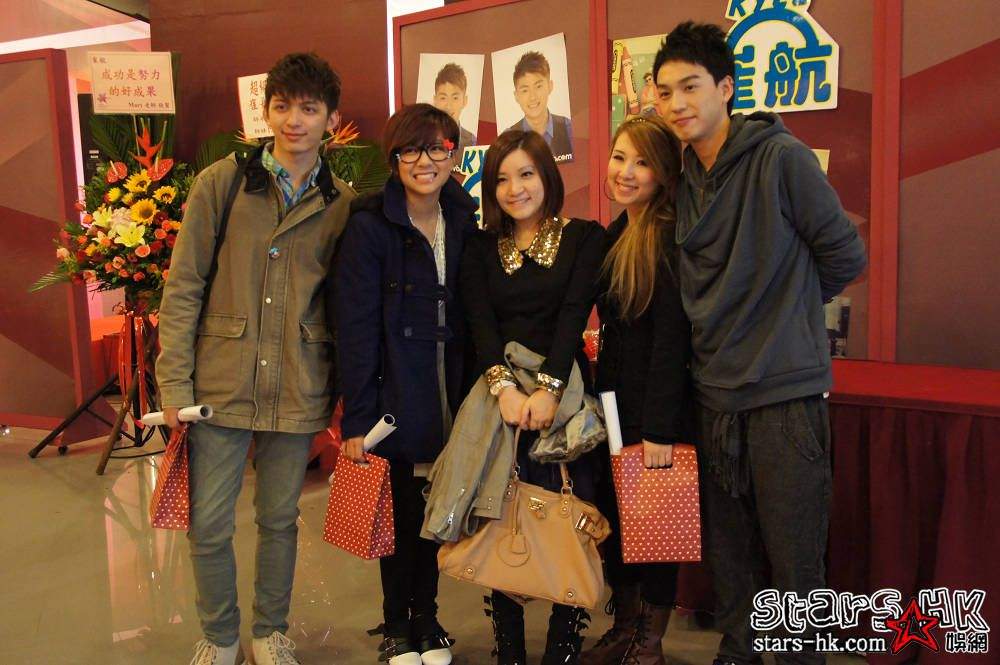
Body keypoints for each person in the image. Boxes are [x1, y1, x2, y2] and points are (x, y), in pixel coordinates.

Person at [653, 22, 867, 665]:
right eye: (664, 92)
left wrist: (786, 312)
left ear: (726, 88)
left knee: (796, 558)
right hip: (714, 393)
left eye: (691, 86)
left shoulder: (780, 159)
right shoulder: (684, 176)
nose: (677, 103)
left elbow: (844, 255)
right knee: (731, 554)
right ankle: (739, 651)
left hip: (783, 395)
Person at [156, 52, 354, 665]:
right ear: (266, 111)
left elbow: (345, 304)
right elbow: (183, 287)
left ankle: (270, 633)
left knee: (280, 519)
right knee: (209, 522)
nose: (294, 120)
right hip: (220, 382)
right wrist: (173, 385)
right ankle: (220, 638)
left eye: (309, 108)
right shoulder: (222, 183)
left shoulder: (342, 202)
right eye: (283, 106)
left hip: (297, 380)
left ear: (331, 119)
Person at [334, 102, 478, 665]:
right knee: (396, 511)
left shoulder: (463, 218)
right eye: (411, 149)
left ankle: (429, 619)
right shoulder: (370, 226)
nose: (425, 161)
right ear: (394, 158)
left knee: (434, 509)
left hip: (451, 387)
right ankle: (397, 624)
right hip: (394, 390)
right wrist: (357, 417)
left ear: (453, 155)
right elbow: (355, 327)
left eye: (437, 148)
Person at [460, 129, 606, 665]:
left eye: (525, 174)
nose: (514, 188)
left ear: (546, 176)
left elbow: (572, 317)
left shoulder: (584, 237)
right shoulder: (479, 246)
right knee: (501, 512)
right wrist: (503, 389)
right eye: (501, 179)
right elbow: (480, 324)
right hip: (499, 400)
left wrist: (548, 391)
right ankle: (509, 645)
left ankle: (564, 641)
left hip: (564, 398)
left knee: (569, 512)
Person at [581, 116, 692, 665]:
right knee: (619, 521)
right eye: (619, 157)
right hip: (612, 407)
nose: (625, 172)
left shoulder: (669, 238)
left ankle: (648, 644)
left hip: (654, 415)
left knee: (655, 528)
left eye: (642, 162)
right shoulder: (616, 233)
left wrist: (660, 430)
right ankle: (625, 629)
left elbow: (673, 341)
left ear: (664, 173)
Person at [505, 51, 574, 161]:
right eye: (525, 90)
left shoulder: (569, 128)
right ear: (516, 96)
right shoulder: (508, 138)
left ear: (550, 86)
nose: (532, 97)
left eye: (538, 86)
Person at [432, 62, 478, 156]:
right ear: (435, 100)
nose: (448, 106)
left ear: (464, 101)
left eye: (455, 98)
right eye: (443, 98)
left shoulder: (472, 141)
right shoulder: (424, 138)